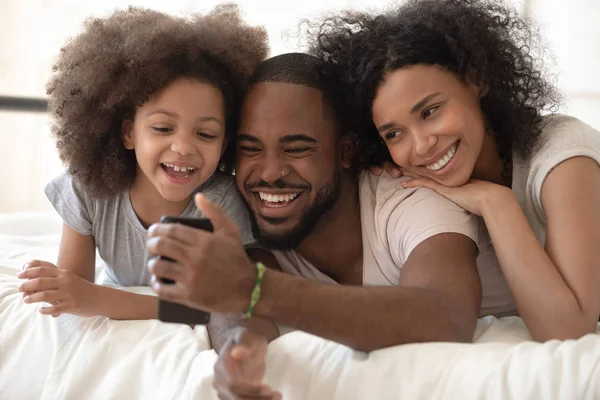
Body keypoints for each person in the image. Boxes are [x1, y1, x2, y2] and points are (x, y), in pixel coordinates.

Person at [146, 52, 506, 399]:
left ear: (346, 152)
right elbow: (237, 298)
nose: (269, 173)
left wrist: (257, 289)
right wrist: (239, 348)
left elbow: (447, 317)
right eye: (251, 150)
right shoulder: (245, 213)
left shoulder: (410, 199)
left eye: (297, 149)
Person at [310, 0, 600, 342]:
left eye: (430, 111)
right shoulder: (409, 188)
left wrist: (495, 202)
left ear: (475, 79)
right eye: (394, 133)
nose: (420, 146)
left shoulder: (562, 157)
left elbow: (568, 329)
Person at [16, 5, 268, 320]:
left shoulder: (224, 205)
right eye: (163, 128)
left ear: (225, 144)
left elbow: (216, 306)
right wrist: (53, 284)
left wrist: (98, 299)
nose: (183, 147)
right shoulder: (87, 190)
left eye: (205, 133)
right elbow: (74, 292)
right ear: (127, 133)